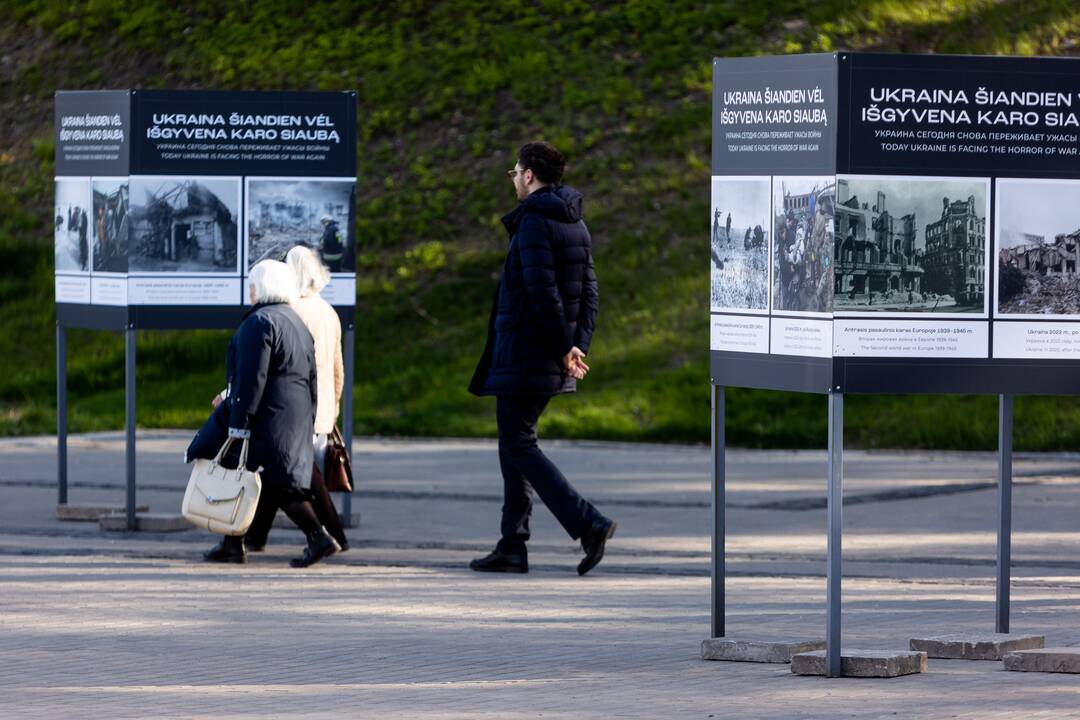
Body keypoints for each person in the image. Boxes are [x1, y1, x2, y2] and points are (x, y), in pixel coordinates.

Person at [468, 141, 615, 577]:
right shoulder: (576, 223)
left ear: (530, 175)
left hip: (528, 352)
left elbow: (541, 292)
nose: (513, 179)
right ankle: (512, 543)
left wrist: (561, 348)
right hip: (548, 353)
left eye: (515, 172)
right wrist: (577, 344)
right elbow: (590, 293)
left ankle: (588, 523)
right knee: (513, 441)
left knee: (518, 443)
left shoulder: (534, 223)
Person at [203, 259, 341, 567]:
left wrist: (238, 422)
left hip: (267, 419)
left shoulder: (260, 322)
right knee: (248, 477)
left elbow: (252, 378)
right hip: (293, 416)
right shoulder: (293, 320)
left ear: (262, 287)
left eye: (252, 284)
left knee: (276, 483)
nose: (249, 290)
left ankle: (318, 537)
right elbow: (311, 376)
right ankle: (232, 544)